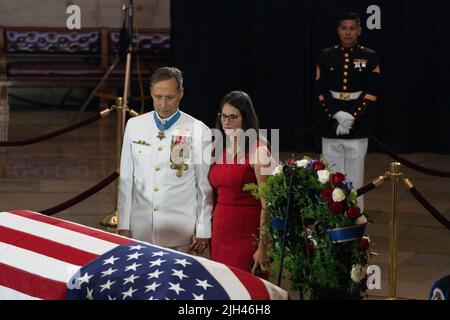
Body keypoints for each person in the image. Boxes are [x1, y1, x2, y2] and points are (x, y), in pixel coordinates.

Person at [117, 67, 213, 254]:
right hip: (140, 229)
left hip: (180, 232)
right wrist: (123, 223)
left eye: (169, 97)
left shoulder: (199, 130)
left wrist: (203, 229)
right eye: (157, 97)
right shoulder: (135, 125)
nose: (163, 104)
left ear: (181, 93)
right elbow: (126, 180)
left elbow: (203, 187)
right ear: (151, 93)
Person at [315, 12, 380, 211]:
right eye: (344, 28)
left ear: (359, 31)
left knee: (355, 179)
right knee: (330, 177)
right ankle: (331, 220)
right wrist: (336, 115)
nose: (348, 32)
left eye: (352, 28)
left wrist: (351, 117)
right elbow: (320, 90)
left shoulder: (369, 56)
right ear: (338, 31)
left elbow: (372, 91)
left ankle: (354, 217)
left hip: (357, 124)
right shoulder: (326, 55)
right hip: (331, 122)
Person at [209, 91, 273, 275]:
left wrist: (263, 247)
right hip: (220, 233)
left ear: (246, 119)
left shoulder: (259, 152)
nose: (227, 122)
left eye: (233, 117)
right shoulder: (217, 148)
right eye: (223, 116)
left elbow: (268, 206)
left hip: (247, 236)